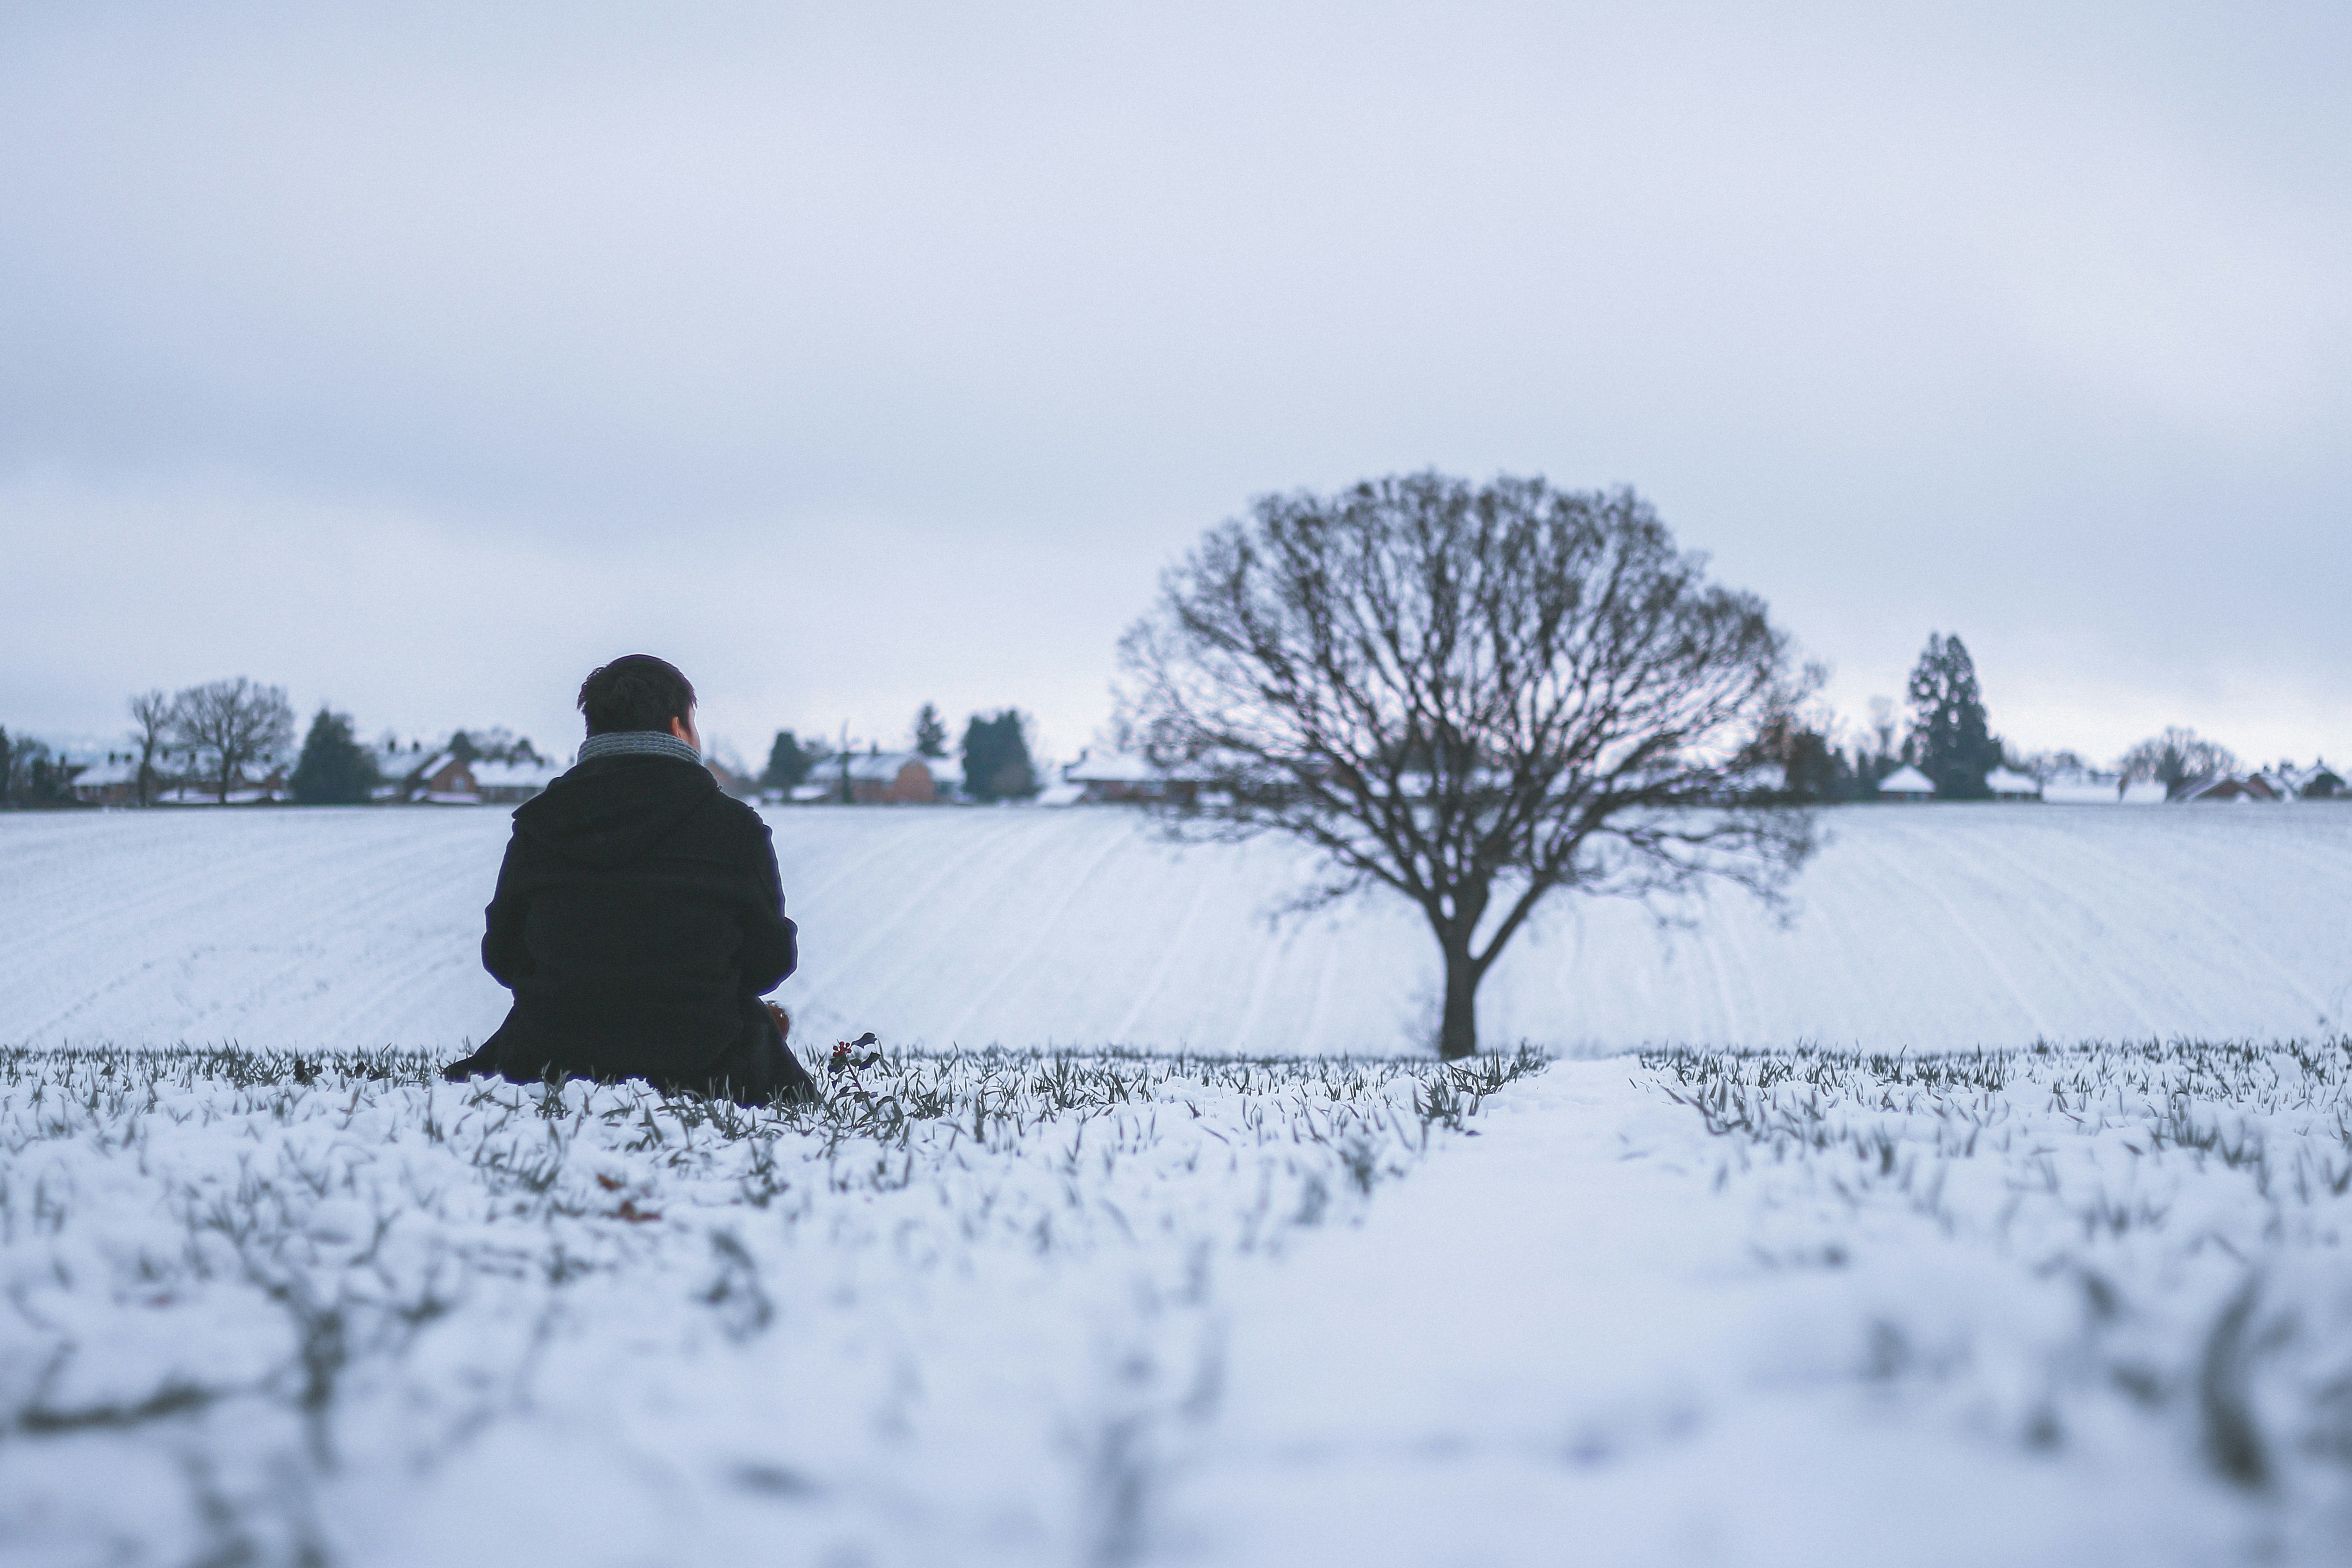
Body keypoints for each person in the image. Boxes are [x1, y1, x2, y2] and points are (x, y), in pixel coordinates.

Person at [443, 654, 817, 1104]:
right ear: (679, 727)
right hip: (708, 1063)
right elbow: (770, 961)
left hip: (551, 1056)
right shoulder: (735, 829)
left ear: (594, 731)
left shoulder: (539, 825)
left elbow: (503, 955)